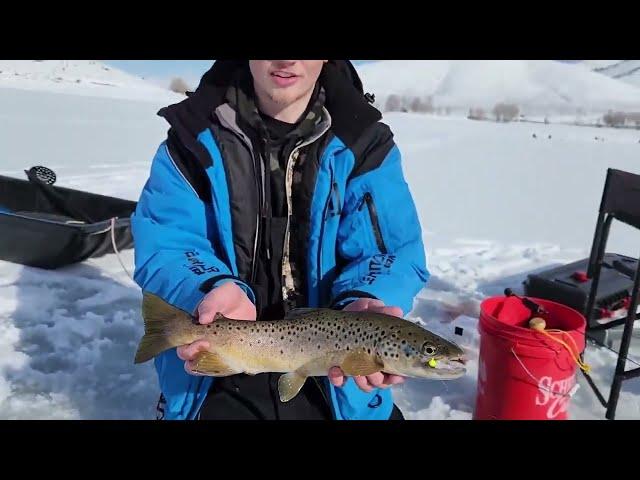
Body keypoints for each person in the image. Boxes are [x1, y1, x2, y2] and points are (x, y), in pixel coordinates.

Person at [131, 60, 430, 420]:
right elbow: (168, 243)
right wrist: (207, 287)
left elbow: (388, 253)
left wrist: (368, 297)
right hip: (223, 364)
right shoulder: (191, 139)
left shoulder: (365, 144)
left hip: (334, 378)